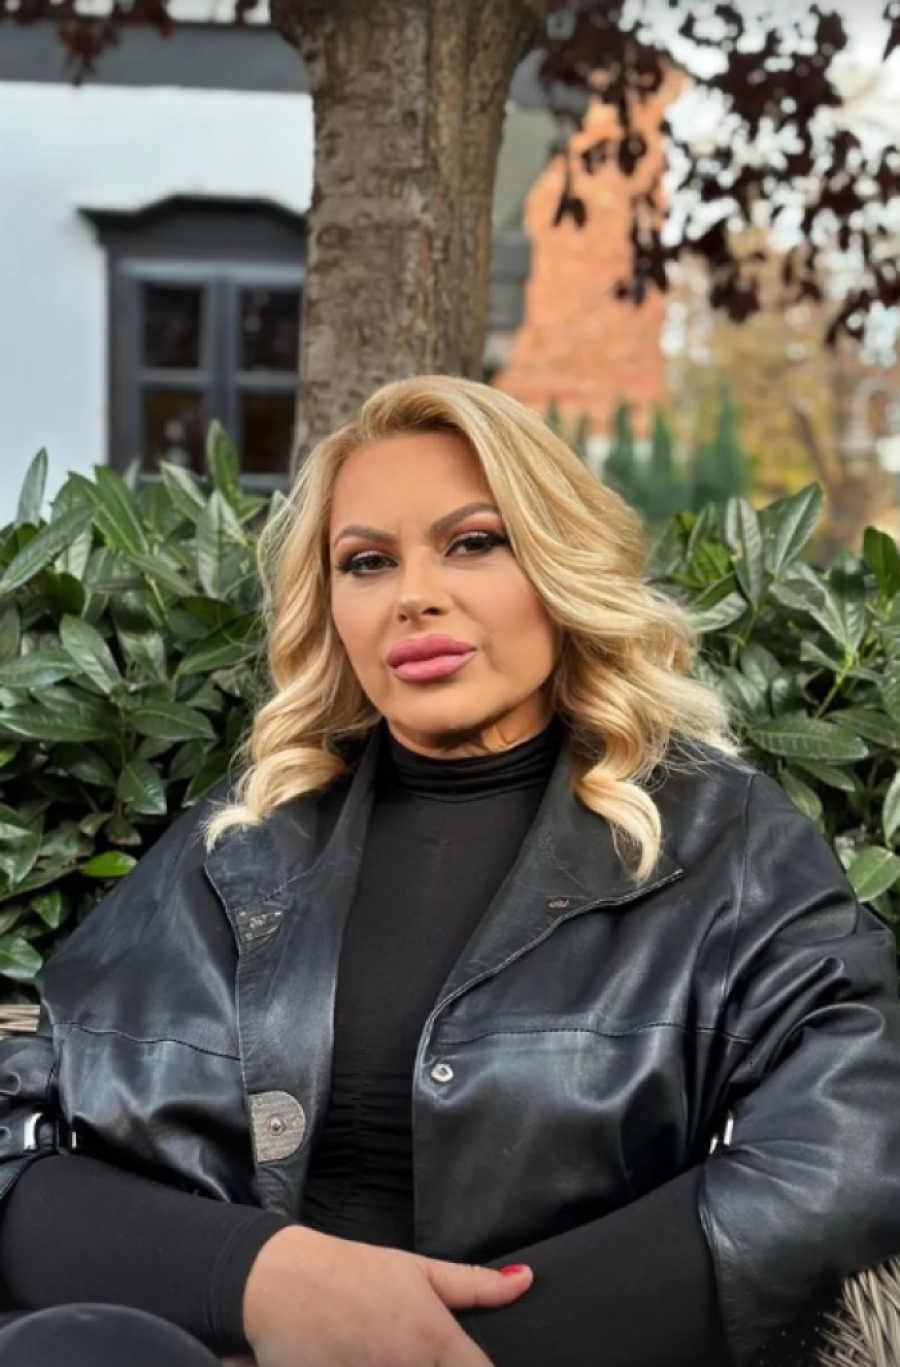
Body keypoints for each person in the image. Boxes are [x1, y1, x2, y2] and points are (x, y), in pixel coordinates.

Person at [0, 373, 898, 1367]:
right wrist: (260, 1278)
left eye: (473, 542)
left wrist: (446, 1345)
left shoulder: (725, 839)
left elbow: (849, 1144)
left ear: (558, 564)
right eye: (368, 561)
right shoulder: (244, 841)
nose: (415, 595)